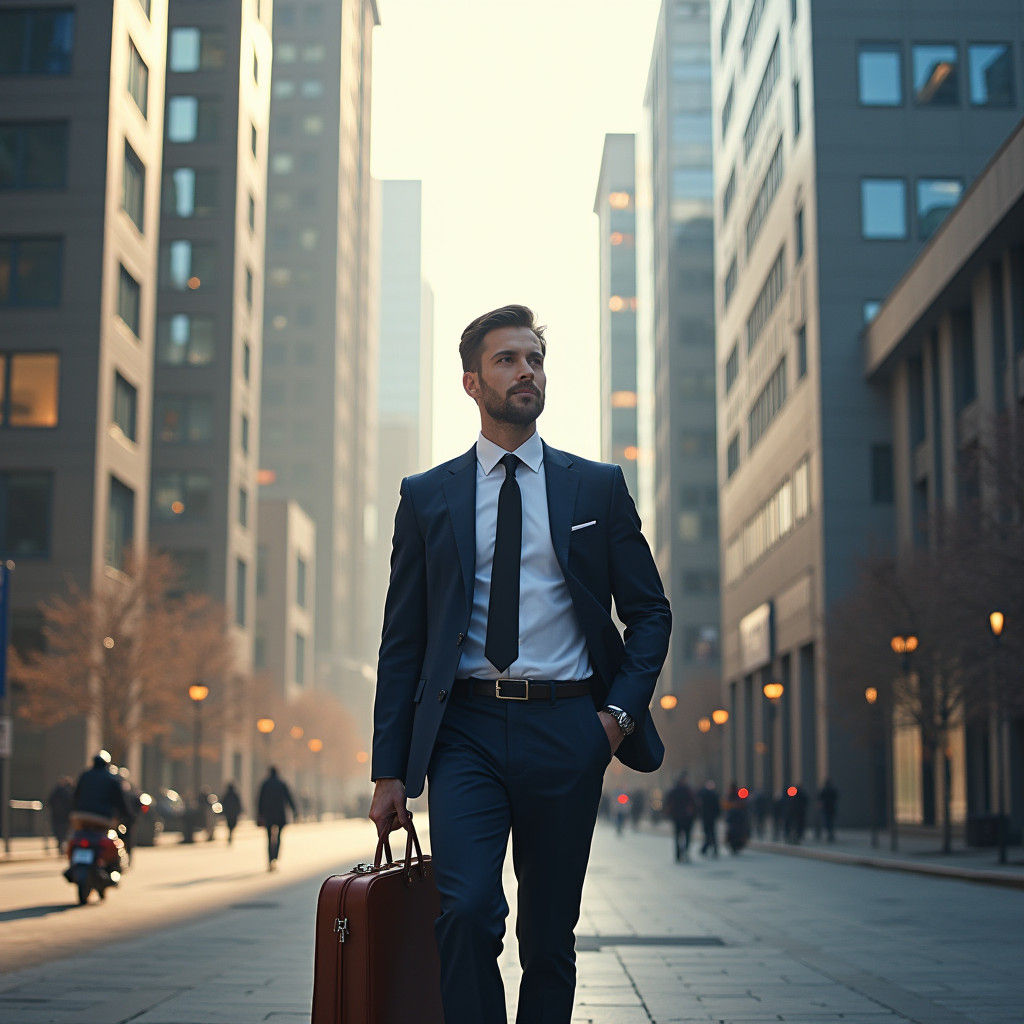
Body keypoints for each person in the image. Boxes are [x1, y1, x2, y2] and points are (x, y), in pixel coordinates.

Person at [368, 305, 671, 1024]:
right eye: (507, 360)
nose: (526, 371)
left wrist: (615, 720)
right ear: (472, 382)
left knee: (548, 938)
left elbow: (650, 611)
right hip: (465, 729)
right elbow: (403, 641)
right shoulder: (428, 496)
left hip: (570, 728)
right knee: (467, 911)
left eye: (534, 359)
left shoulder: (595, 487)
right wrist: (389, 770)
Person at [72, 752, 133, 828]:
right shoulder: (112, 779)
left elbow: (76, 795)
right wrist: (127, 815)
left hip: (82, 815)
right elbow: (120, 801)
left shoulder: (84, 775)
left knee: (77, 833)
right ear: (107, 764)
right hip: (102, 817)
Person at [256, 766, 296, 870]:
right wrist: (295, 811)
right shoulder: (282, 784)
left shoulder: (265, 784)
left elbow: (260, 800)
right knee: (278, 837)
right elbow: (289, 798)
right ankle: (275, 858)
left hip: (268, 815)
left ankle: (270, 860)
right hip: (280, 814)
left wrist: (259, 814)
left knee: (269, 838)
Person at [662, 773, 696, 862]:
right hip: (686, 817)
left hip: (677, 817)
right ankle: (684, 852)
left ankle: (679, 854)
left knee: (678, 836)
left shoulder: (674, 790)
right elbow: (693, 803)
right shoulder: (688, 790)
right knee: (686, 836)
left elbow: (668, 804)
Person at [46, 775, 74, 851]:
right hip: (66, 816)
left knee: (58, 831)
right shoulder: (70, 791)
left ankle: (61, 844)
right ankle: (63, 845)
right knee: (65, 831)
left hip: (57, 815)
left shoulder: (56, 790)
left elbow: (50, 801)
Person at [697, 779, 720, 857]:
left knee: (708, 833)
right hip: (711, 817)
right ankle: (713, 849)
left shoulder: (703, 794)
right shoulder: (714, 794)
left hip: (706, 817)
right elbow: (717, 807)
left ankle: (706, 849)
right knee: (712, 833)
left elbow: (700, 806)